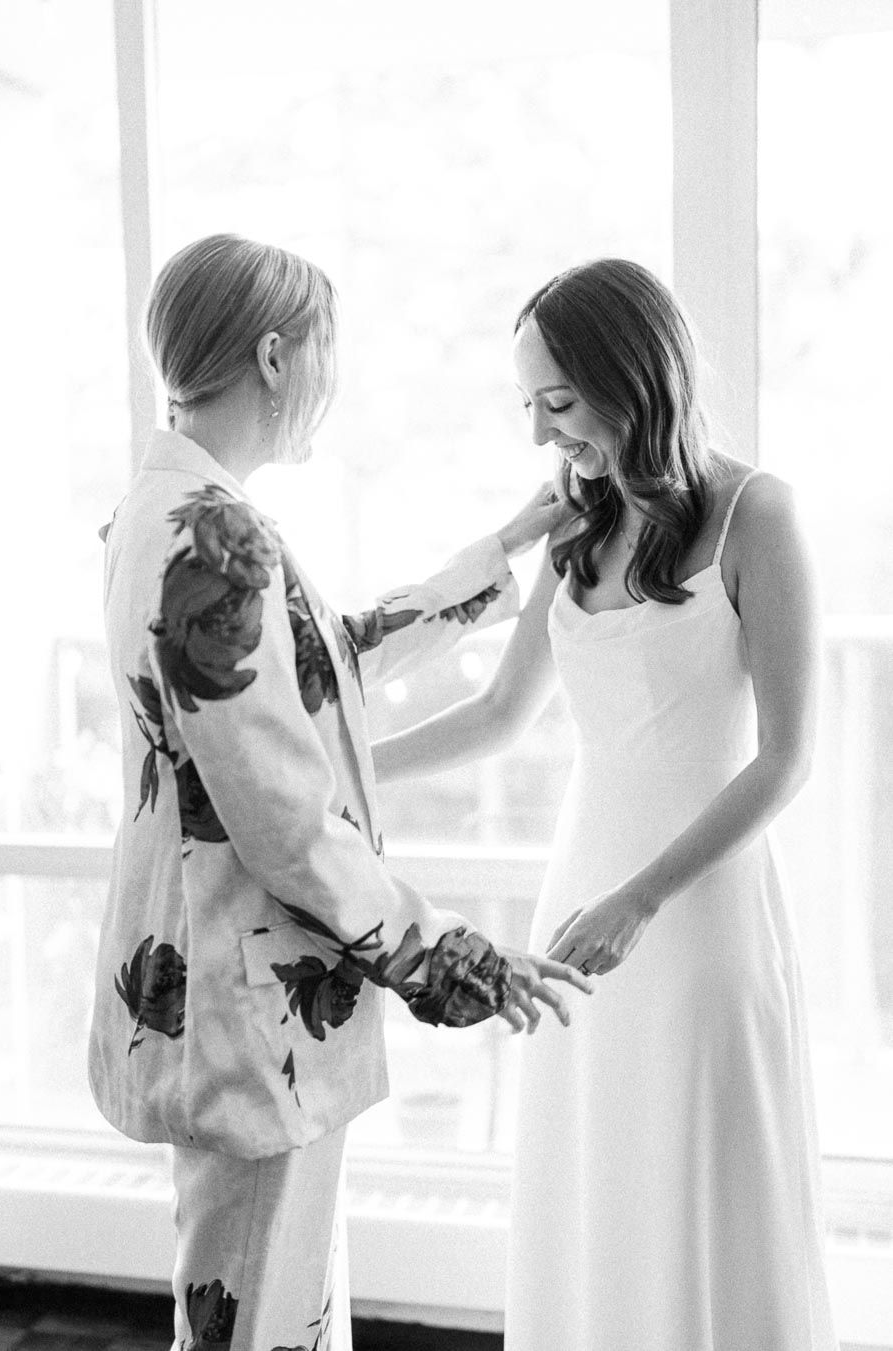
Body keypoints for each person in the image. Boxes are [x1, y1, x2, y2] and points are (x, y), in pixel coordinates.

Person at [87, 233, 589, 1351]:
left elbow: (319, 663)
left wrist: (496, 554)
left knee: (258, 1313)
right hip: (250, 1010)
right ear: (273, 357)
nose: (331, 383)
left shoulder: (168, 514)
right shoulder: (214, 540)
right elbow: (287, 827)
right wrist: (450, 958)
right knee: (259, 1327)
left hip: (229, 996)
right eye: (324, 354)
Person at [373, 259, 839, 1350]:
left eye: (560, 404)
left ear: (634, 378)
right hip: (576, 899)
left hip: (696, 910)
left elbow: (789, 757)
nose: (542, 435)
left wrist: (641, 898)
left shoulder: (758, 514)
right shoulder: (580, 527)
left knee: (700, 1186)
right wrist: (340, 772)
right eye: (528, 406)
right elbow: (497, 714)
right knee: (598, 1189)